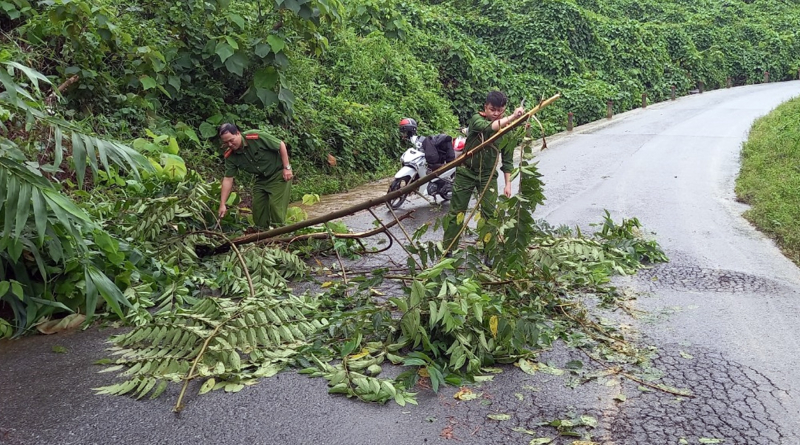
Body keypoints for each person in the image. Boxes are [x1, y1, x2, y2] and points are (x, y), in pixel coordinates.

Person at [441, 90, 525, 253]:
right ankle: (448, 249)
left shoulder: (506, 130)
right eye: (492, 109)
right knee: (456, 213)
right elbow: (488, 128)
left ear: (504, 109)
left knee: (489, 215)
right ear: (485, 107)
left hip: (488, 176)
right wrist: (514, 117)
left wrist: (508, 184)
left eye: (500, 110)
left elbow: (507, 160)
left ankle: (489, 252)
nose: (496, 113)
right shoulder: (476, 120)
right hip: (466, 172)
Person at [217, 123, 293, 229]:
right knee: (258, 209)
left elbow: (280, 144)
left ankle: (282, 235)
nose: (229, 144)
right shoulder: (230, 156)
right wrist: (223, 204)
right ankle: (262, 235)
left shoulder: (255, 137)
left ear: (238, 133)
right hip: (261, 179)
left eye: (231, 140)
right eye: (226, 142)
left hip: (278, 174)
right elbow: (228, 179)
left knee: (276, 207)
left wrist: (287, 168)